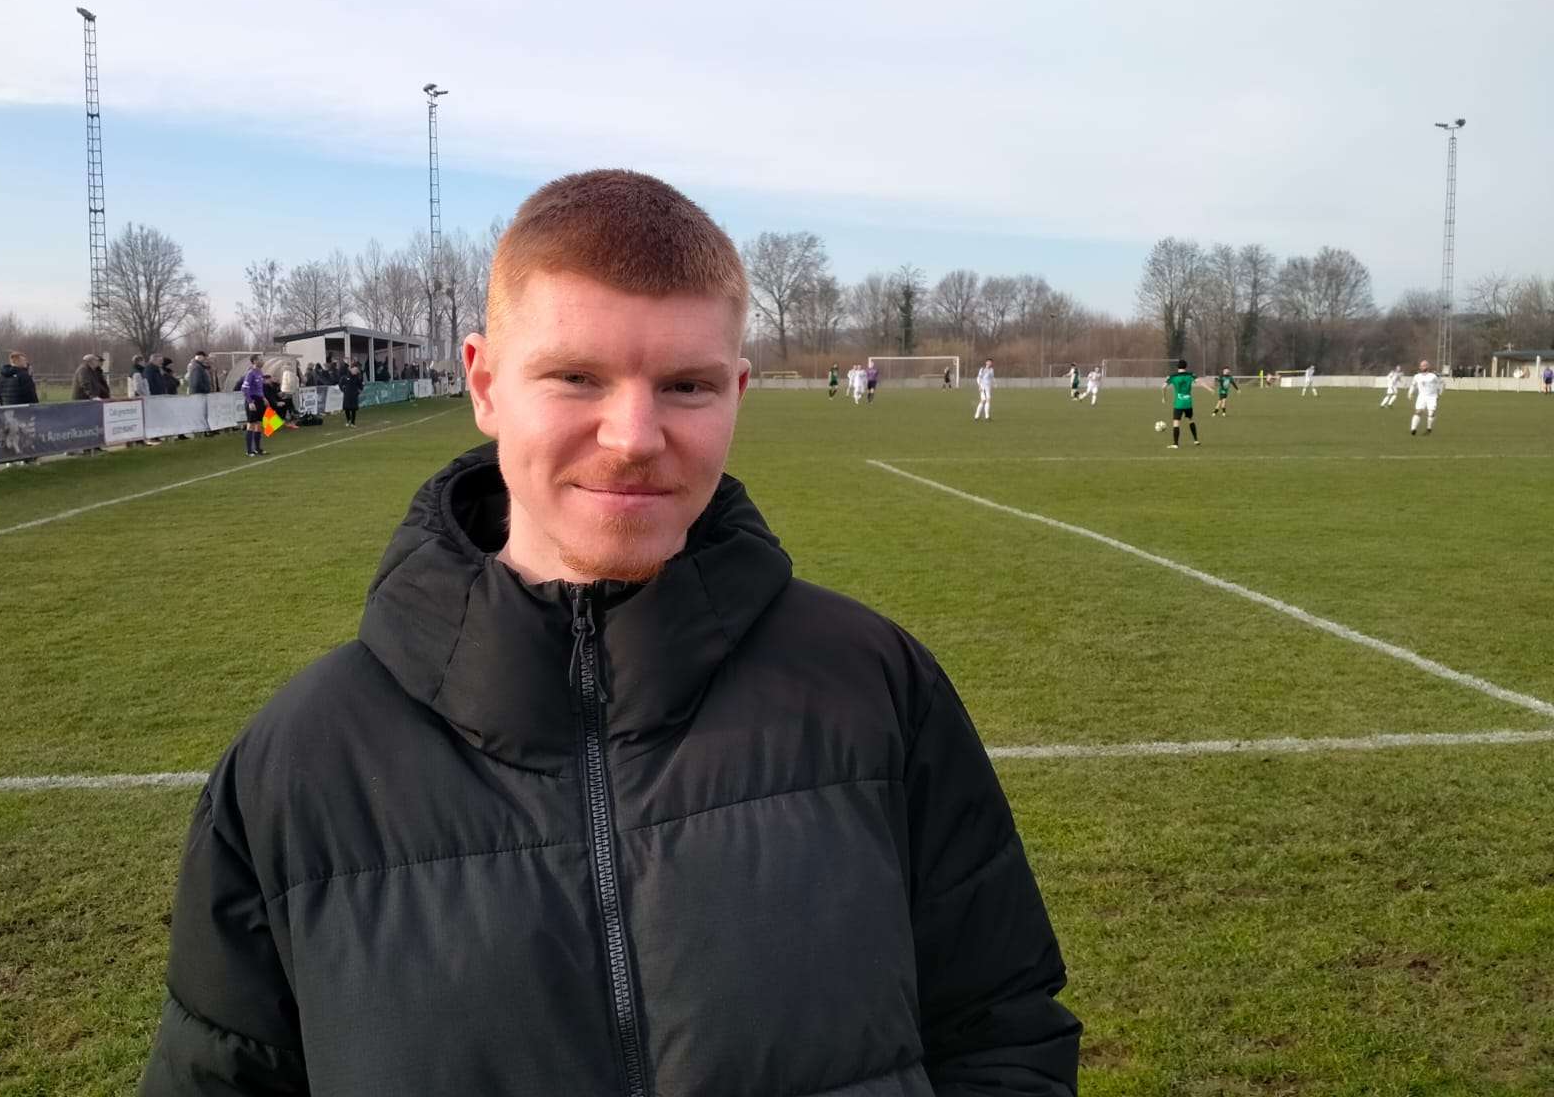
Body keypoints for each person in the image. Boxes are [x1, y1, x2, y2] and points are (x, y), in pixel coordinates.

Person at [139, 169, 1079, 1096]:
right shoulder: (298, 765)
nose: (634, 435)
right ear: (485, 384)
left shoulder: (878, 689)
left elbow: (1002, 1033)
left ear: (738, 393)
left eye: (687, 386)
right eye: (576, 376)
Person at [1162, 357, 1201, 448]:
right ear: (1186, 366)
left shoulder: (1173, 376)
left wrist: (1164, 397)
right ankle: (1196, 440)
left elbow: (1163, 387)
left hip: (1178, 404)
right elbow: (1199, 382)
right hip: (1188, 403)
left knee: (1176, 423)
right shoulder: (1190, 375)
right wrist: (1209, 388)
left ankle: (1175, 444)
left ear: (1177, 367)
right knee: (1190, 420)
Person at [241, 353, 269, 456]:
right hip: (252, 400)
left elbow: (259, 388)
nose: (263, 361)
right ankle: (249, 450)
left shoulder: (260, 372)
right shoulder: (250, 373)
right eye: (261, 359)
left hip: (259, 400)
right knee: (251, 425)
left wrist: (263, 398)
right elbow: (244, 388)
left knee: (259, 425)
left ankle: (257, 449)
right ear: (255, 361)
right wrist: (250, 402)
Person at [1408, 358, 1444, 435]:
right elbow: (1413, 385)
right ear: (1420, 367)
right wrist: (1410, 393)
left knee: (1431, 413)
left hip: (1432, 396)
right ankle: (1413, 429)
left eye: (1424, 365)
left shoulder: (1433, 376)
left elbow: (1441, 384)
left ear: (1428, 366)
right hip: (1421, 396)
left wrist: (1439, 393)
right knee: (1418, 412)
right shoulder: (1417, 376)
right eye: (1421, 366)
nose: (1423, 367)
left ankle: (1429, 428)